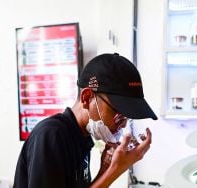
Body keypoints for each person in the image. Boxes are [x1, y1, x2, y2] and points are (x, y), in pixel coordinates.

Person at [13, 53, 157, 188]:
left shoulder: (82, 137)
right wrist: (114, 171)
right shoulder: (52, 135)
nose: (123, 123)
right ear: (87, 98)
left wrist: (104, 171)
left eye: (126, 116)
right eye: (118, 113)